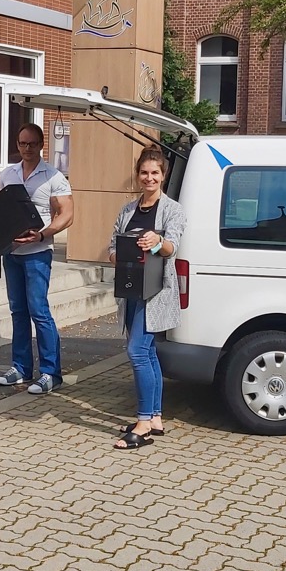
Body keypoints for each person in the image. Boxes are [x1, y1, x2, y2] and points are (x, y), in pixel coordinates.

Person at [108, 146, 186, 450]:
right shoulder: (127, 210)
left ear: (163, 176)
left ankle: (142, 425)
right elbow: (112, 246)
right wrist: (119, 254)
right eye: (144, 172)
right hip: (130, 291)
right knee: (149, 352)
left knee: (137, 351)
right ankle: (154, 416)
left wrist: (157, 241)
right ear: (138, 175)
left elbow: (172, 248)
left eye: (155, 173)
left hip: (155, 294)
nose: (149, 177)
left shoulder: (173, 210)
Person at [0, 122, 74, 394]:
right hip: (12, 253)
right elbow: (0, 210)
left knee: (39, 311)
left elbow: (67, 214)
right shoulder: (8, 174)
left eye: (32, 144)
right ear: (17, 145)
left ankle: (51, 373)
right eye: (22, 143)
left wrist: (42, 235)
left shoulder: (53, 177)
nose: (26, 148)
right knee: (18, 311)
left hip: (38, 253)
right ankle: (21, 368)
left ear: (41, 145)